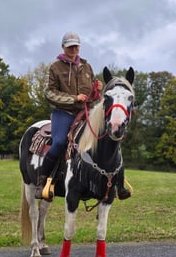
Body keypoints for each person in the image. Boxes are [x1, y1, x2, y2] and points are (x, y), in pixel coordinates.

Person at [35, 31, 131, 201]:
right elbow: (49, 93)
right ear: (63, 47)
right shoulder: (55, 67)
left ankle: (118, 183)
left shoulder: (86, 66)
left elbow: (92, 95)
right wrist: (73, 98)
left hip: (87, 112)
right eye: (70, 46)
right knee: (58, 143)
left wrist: (96, 90)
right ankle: (42, 181)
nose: (74, 49)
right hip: (64, 113)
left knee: (109, 138)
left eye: (76, 46)